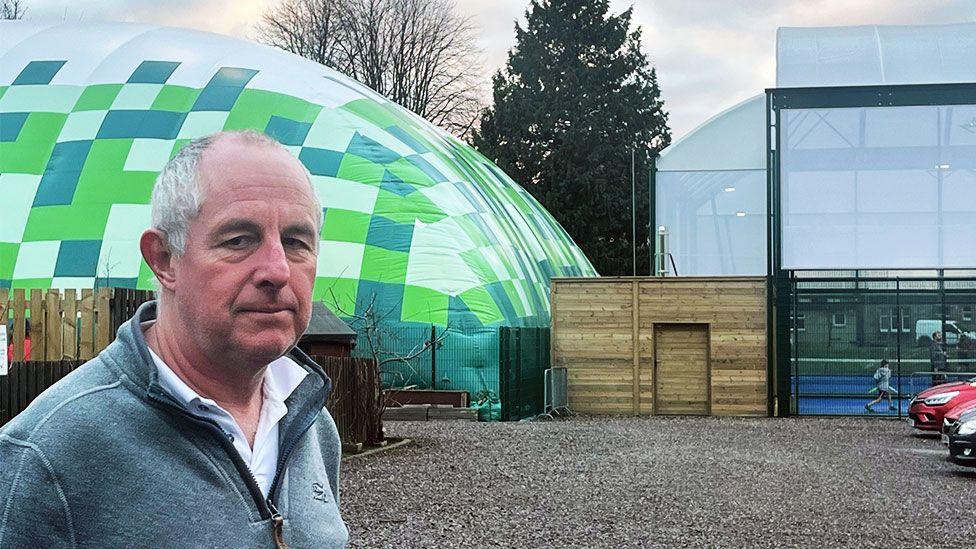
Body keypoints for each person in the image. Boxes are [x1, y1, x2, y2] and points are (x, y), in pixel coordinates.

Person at [0, 131, 348, 547]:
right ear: (164, 260)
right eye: (239, 240)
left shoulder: (311, 425)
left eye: (295, 242)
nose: (277, 270)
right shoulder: (47, 455)